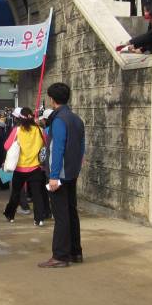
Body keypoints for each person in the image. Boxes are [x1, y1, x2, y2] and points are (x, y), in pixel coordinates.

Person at [39, 83, 87, 269]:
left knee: (61, 216)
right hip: (72, 172)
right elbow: (82, 147)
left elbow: (57, 148)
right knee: (71, 213)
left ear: (52, 99)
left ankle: (60, 255)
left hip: (59, 173)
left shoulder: (59, 120)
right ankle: (75, 252)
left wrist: (53, 175)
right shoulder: (76, 119)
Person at [2, 107, 50, 226]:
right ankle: (39, 219)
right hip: (36, 167)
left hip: (19, 168)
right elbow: (46, 144)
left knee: (16, 193)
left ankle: (10, 215)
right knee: (37, 194)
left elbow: (6, 146)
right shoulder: (40, 130)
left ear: (20, 118)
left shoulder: (17, 131)